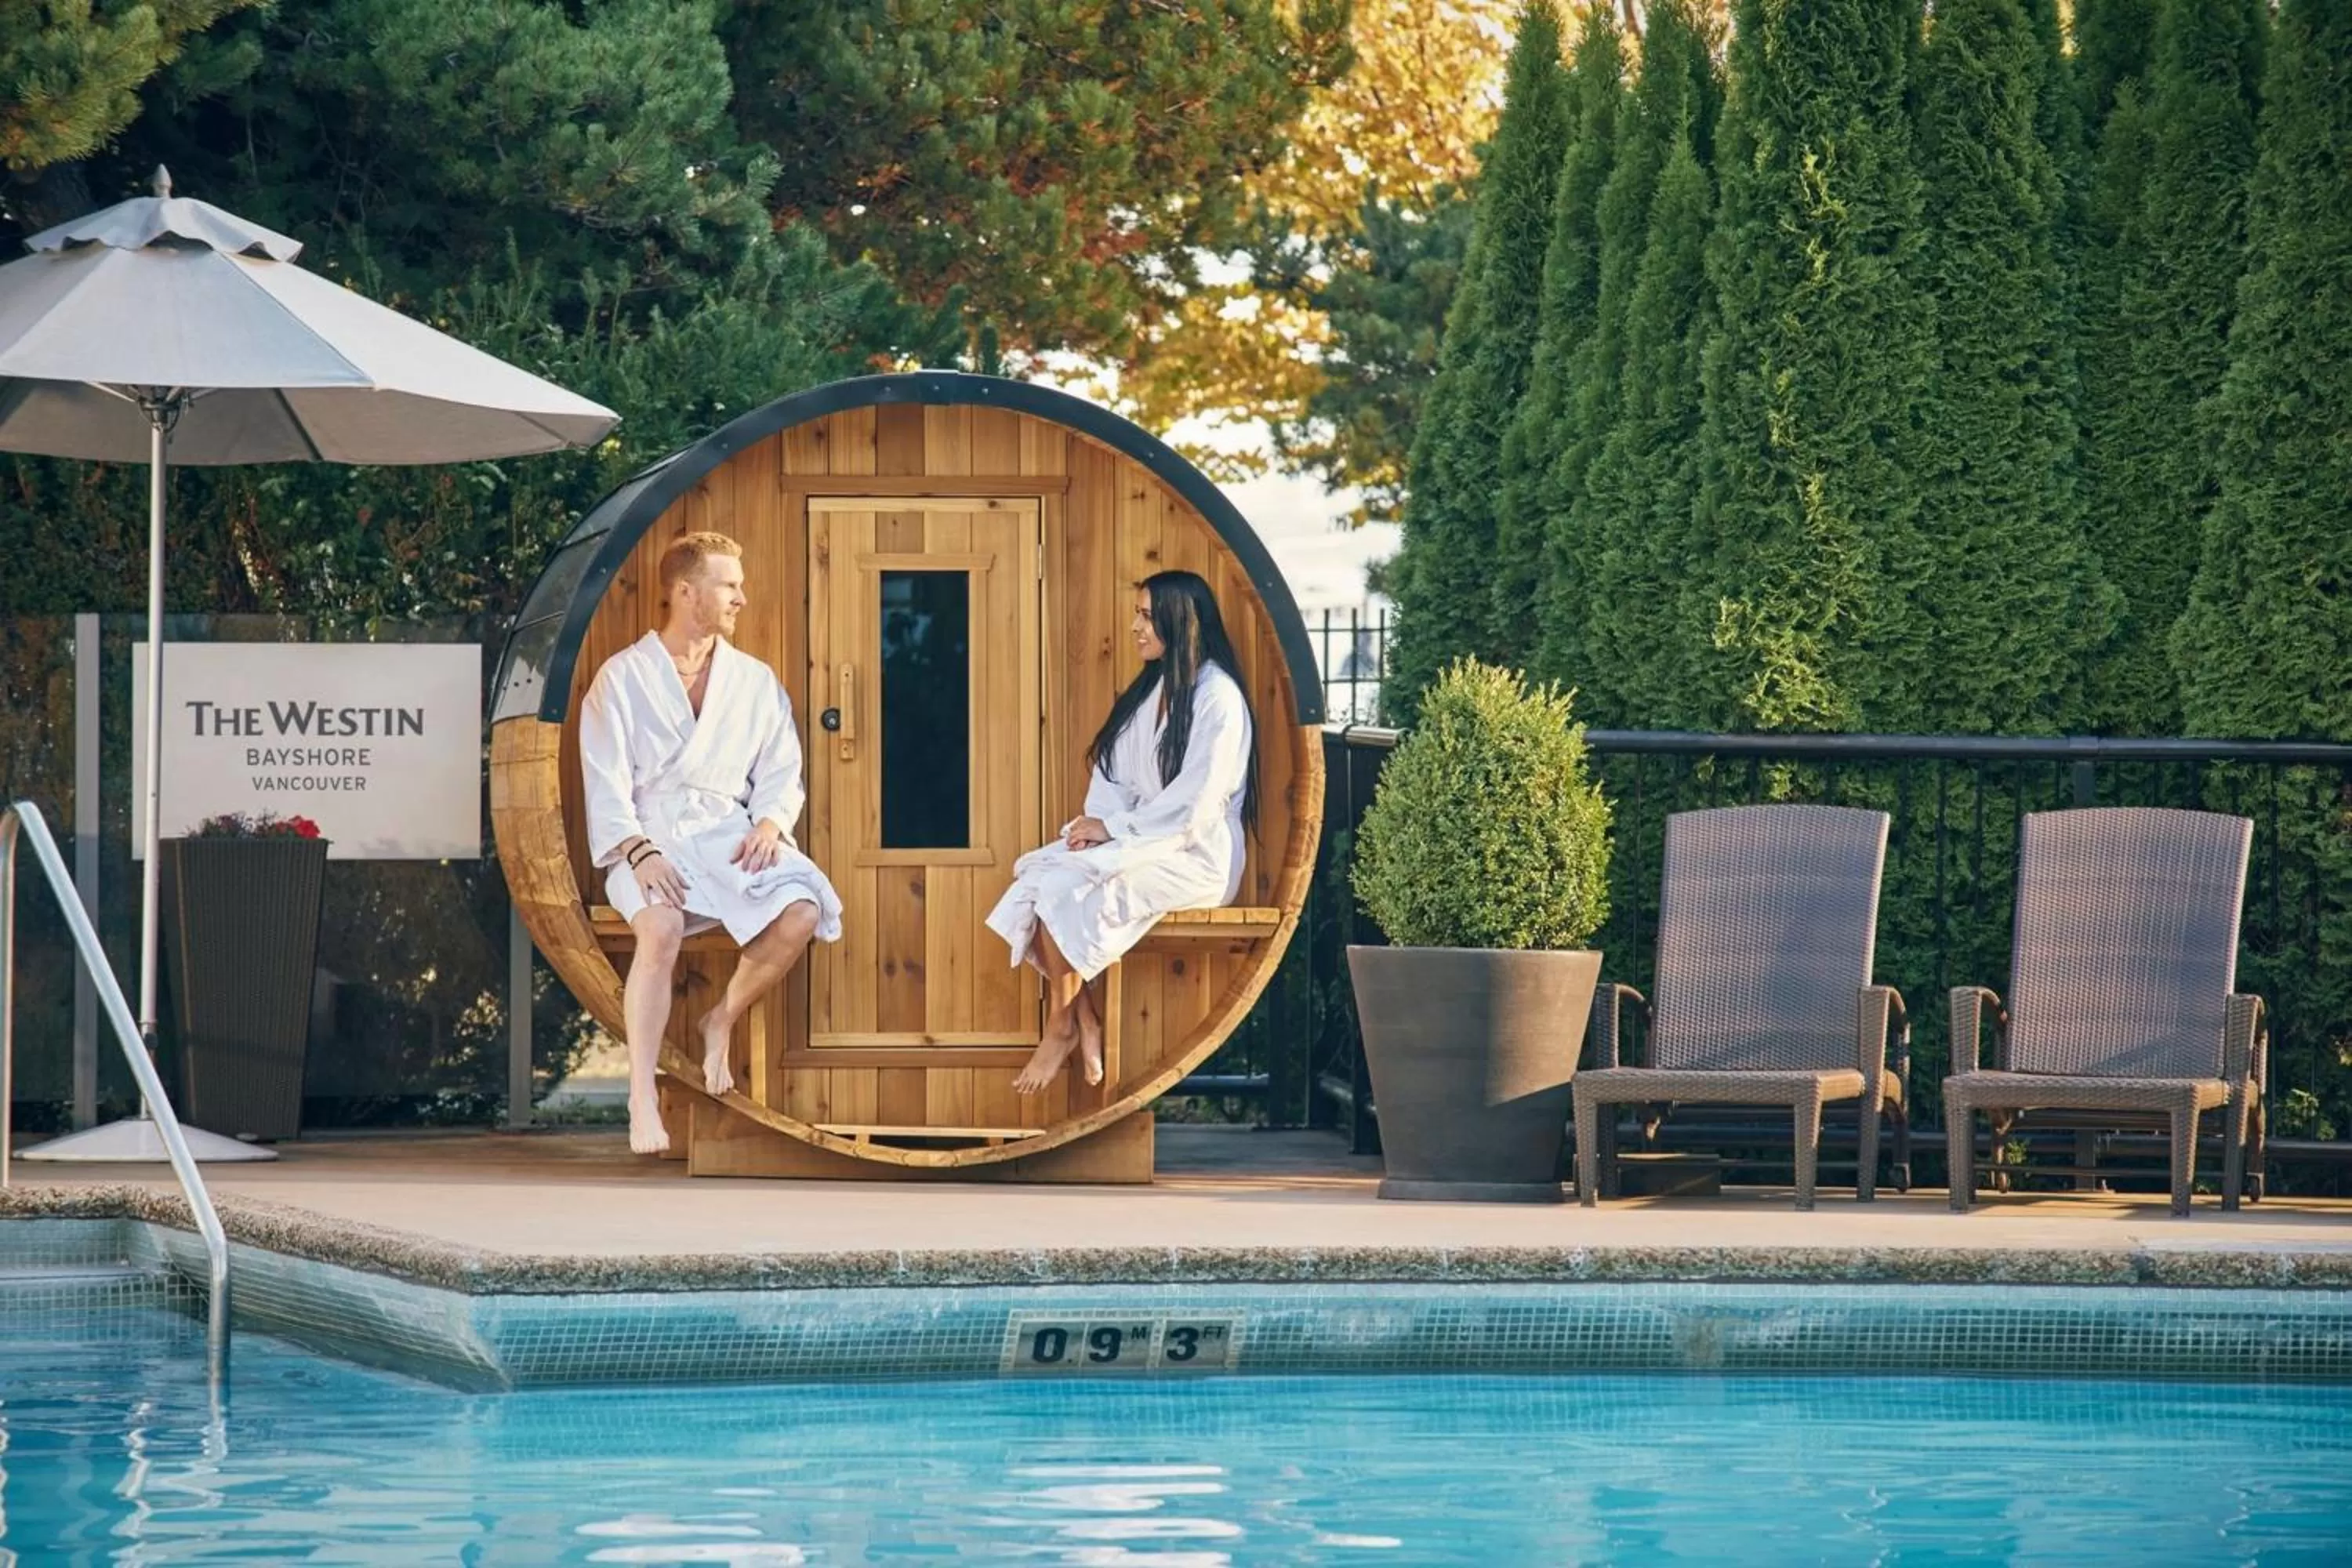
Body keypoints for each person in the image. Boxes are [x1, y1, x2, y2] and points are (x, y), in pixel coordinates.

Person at [579, 531, 844, 1154]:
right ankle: (642, 1093)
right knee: (662, 928)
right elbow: (605, 779)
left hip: (729, 833)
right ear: (685, 592)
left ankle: (720, 1017)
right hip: (648, 839)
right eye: (729, 586)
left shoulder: (752, 680)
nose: (740, 599)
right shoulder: (623, 678)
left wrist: (772, 823)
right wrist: (640, 853)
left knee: (803, 907)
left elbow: (782, 769)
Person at [985, 569, 1259, 1094]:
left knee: (1065, 886)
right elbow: (1112, 777)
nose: (1136, 627)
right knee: (1035, 876)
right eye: (1137, 614)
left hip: (1196, 856)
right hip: (1141, 841)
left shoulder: (1218, 698)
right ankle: (1083, 1019)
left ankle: (1060, 1026)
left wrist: (1112, 829)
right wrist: (1100, 831)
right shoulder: (1150, 692)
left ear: (1182, 622)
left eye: (1147, 616)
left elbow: (1196, 801)